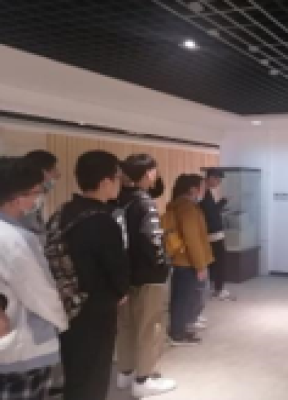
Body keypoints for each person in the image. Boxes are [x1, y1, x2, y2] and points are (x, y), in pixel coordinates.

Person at [56, 150, 130, 400]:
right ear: (105, 181)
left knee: (75, 369)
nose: (119, 183)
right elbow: (116, 267)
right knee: (95, 372)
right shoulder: (103, 220)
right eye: (117, 177)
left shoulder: (64, 211)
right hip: (96, 307)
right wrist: (122, 291)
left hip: (67, 302)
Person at [0, 156, 68, 400]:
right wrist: (62, 321)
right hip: (20, 347)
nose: (38, 198)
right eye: (37, 192)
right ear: (17, 198)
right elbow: (39, 293)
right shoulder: (14, 239)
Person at [116, 154, 176, 398]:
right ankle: (145, 378)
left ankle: (126, 372)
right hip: (148, 275)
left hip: (124, 273)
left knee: (126, 326)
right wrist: (163, 266)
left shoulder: (119, 199)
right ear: (148, 173)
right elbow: (152, 240)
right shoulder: (145, 202)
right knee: (150, 326)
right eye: (154, 171)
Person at [164, 174, 213, 345]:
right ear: (193, 189)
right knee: (184, 298)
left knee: (181, 297)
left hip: (181, 259)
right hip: (187, 260)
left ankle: (179, 330)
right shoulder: (188, 208)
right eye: (202, 187)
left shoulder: (178, 205)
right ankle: (177, 333)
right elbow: (192, 239)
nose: (203, 191)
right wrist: (200, 265)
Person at [200, 168, 235, 301]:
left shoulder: (206, 191)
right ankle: (218, 289)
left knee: (214, 262)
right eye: (218, 180)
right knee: (219, 262)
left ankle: (214, 287)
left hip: (212, 232)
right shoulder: (203, 191)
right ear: (211, 177)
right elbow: (210, 213)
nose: (218, 183)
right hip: (213, 233)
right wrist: (223, 202)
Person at [21, 150, 61, 244]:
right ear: (41, 172)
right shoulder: (24, 201)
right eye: (53, 170)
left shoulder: (38, 200)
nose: (58, 175)